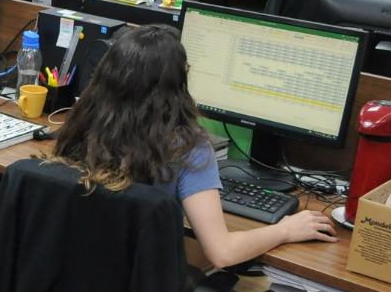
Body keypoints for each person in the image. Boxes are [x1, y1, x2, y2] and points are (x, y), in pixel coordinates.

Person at [50, 24, 335, 268]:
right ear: (179, 82)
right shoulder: (186, 147)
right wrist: (284, 230)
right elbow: (222, 252)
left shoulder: (80, 126)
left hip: (62, 286)